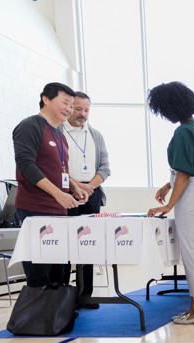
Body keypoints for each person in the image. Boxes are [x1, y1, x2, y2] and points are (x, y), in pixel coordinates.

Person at [146, 81, 194, 325]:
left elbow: (185, 173)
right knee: (192, 252)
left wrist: (168, 205)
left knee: (191, 254)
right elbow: (186, 169)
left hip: (191, 192)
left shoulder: (183, 131)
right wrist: (169, 185)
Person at [13, 82, 88, 288]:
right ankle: (38, 317)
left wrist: (73, 186)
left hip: (59, 210)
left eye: (71, 105)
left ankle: (56, 315)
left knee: (60, 272)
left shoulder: (59, 133)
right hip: (36, 209)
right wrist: (58, 194)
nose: (69, 109)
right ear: (46, 99)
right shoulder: (30, 126)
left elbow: (59, 169)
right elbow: (26, 165)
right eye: (65, 102)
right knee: (40, 273)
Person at [63, 91, 111, 310]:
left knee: (87, 245)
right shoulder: (58, 131)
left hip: (91, 195)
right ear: (70, 107)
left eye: (86, 110)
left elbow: (104, 167)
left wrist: (89, 187)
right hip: (65, 192)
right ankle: (62, 294)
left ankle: (85, 294)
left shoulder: (95, 135)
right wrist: (75, 185)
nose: (82, 114)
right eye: (78, 108)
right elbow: (56, 167)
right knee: (64, 246)